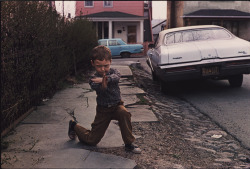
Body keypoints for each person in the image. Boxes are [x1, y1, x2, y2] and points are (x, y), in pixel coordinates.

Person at [68, 45, 141, 154]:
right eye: (99, 66)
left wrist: (104, 79)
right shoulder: (92, 79)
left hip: (117, 106)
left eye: (106, 66)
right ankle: (74, 125)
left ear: (110, 61)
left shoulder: (114, 72)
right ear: (93, 63)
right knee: (92, 140)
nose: (103, 69)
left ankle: (129, 144)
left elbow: (117, 77)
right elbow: (99, 89)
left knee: (124, 113)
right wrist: (103, 85)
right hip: (103, 111)